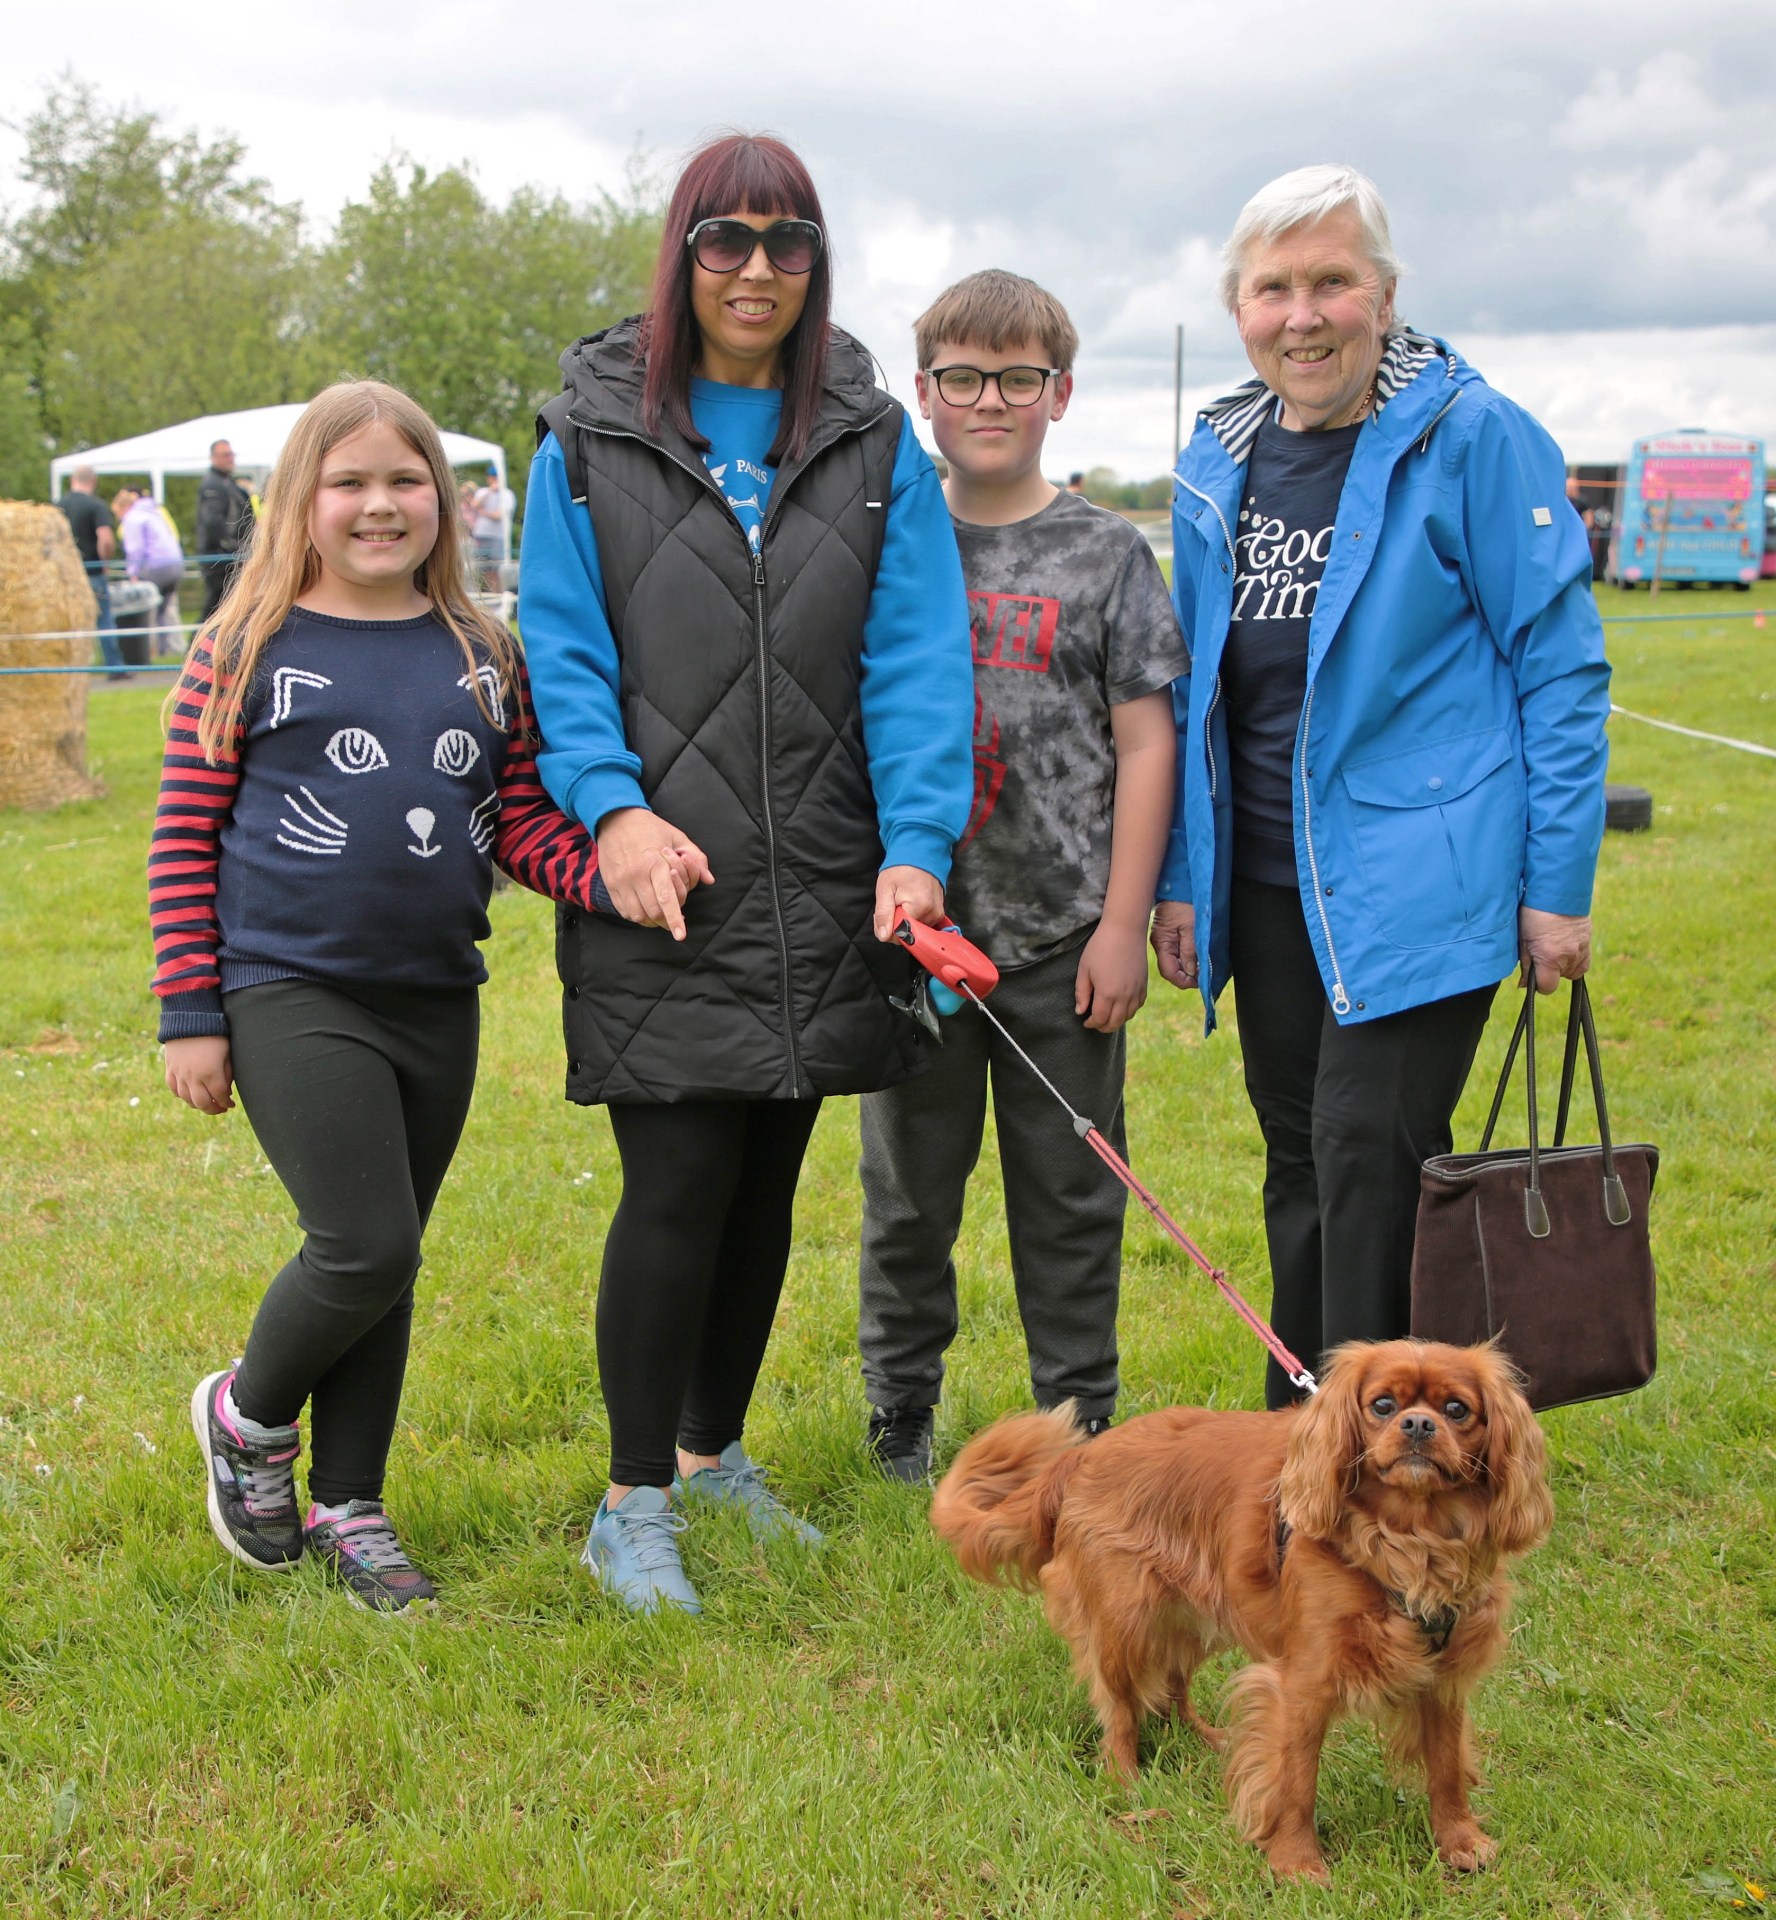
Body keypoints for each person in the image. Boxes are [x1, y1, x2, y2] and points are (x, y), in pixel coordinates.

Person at [520, 132, 973, 1614]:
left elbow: (918, 658)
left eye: (789, 240)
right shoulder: (587, 435)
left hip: (829, 877)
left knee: (770, 1173)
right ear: (684, 254)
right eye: (728, 239)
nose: (759, 269)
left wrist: (915, 848)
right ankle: (630, 1499)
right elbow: (564, 652)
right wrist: (609, 813)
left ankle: (711, 1455)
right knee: (678, 1178)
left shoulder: (872, 438)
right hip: (670, 872)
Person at [1149, 164, 1610, 1408]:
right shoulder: (1216, 460)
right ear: (1239, 310)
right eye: (1274, 289)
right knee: (1302, 1158)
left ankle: (1365, 1445)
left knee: (1365, 1153)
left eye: (1332, 282)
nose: (1303, 316)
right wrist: (1187, 881)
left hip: (1421, 877)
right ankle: (1312, 1427)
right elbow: (1199, 697)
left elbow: (1561, 671)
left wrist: (1557, 889)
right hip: (1266, 878)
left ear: (1387, 297)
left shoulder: (1472, 436)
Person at [152, 381, 604, 1613]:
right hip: (288, 988)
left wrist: (605, 874)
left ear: (443, 501)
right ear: (299, 499)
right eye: (348, 481)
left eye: (405, 481)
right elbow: (183, 841)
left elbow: (516, 820)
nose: (379, 505)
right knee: (365, 1243)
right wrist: (191, 1013)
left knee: (389, 1261)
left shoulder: (481, 652)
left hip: (436, 996)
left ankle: (350, 1507)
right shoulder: (244, 647)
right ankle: (248, 1415)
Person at [856, 271, 1188, 1481]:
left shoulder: (1107, 553)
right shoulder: (888, 544)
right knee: (908, 1199)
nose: (988, 400)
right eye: (962, 377)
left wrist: (1122, 923)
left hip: (1062, 942)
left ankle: (1078, 1420)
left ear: (1060, 392)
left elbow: (1147, 743)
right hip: (921, 945)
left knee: (1072, 1199)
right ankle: (900, 1410)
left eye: (1016, 378)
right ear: (923, 391)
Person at [57, 464, 125, 678]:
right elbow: (105, 538)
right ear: (93, 481)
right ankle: (114, 668)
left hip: (67, 574)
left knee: (69, 623)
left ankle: (71, 670)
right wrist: (104, 562)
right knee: (104, 621)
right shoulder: (96, 506)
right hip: (93, 571)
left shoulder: (58, 506)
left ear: (72, 479)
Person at [119, 486, 186, 655]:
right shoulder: (155, 512)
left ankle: (147, 650)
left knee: (145, 607)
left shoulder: (133, 517)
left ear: (124, 507)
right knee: (163, 610)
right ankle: (165, 649)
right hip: (176, 564)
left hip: (158, 565)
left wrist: (133, 573)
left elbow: (136, 548)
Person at [195, 438, 255, 619]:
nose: (231, 458)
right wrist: (231, 546)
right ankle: (200, 637)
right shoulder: (213, 485)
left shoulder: (227, 484)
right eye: (226, 455)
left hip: (232, 557)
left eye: (231, 454)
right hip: (221, 560)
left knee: (228, 607)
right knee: (217, 607)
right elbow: (212, 521)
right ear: (214, 457)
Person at [470, 467, 514, 591]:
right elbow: (474, 505)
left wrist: (482, 512)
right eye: (491, 477)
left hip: (497, 536)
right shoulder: (483, 492)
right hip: (481, 535)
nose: (494, 479)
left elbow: (498, 515)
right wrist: (490, 491)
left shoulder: (507, 494)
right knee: (485, 568)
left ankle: (500, 593)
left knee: (497, 568)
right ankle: (492, 593)